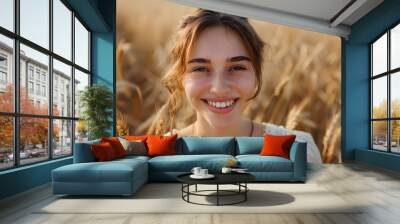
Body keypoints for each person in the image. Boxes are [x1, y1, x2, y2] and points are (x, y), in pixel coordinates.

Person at [150, 9, 322, 163]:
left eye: (237, 67)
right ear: (181, 77)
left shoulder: (300, 150)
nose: (219, 88)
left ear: (256, 73)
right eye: (200, 68)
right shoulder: (159, 155)